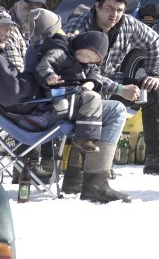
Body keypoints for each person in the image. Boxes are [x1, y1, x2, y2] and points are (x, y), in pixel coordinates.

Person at [64, 0, 159, 176]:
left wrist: (153, 74)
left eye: (119, 10)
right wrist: (120, 89)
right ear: (97, 6)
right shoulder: (78, 28)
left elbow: (154, 41)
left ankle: (156, 158)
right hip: (82, 88)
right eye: (109, 8)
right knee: (92, 94)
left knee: (155, 90)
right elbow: (86, 74)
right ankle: (98, 163)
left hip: (111, 81)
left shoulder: (128, 23)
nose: (114, 15)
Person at [0, 49, 130, 203]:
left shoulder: (34, 49)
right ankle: (94, 184)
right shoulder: (48, 51)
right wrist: (37, 83)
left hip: (31, 113)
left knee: (90, 109)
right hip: (38, 114)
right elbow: (13, 93)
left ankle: (76, 180)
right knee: (114, 110)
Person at [34, 31, 110, 154]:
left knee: (93, 97)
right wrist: (50, 76)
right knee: (92, 98)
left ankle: (85, 138)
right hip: (56, 91)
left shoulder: (88, 63)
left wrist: (91, 82)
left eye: (91, 60)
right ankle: (84, 137)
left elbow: (95, 73)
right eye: (86, 55)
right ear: (82, 44)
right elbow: (44, 65)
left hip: (75, 93)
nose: (86, 60)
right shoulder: (60, 52)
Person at [4, 0, 47, 72]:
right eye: (29, 8)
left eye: (39, 11)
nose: (34, 14)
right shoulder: (6, 29)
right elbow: (16, 74)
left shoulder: (40, 32)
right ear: (15, 7)